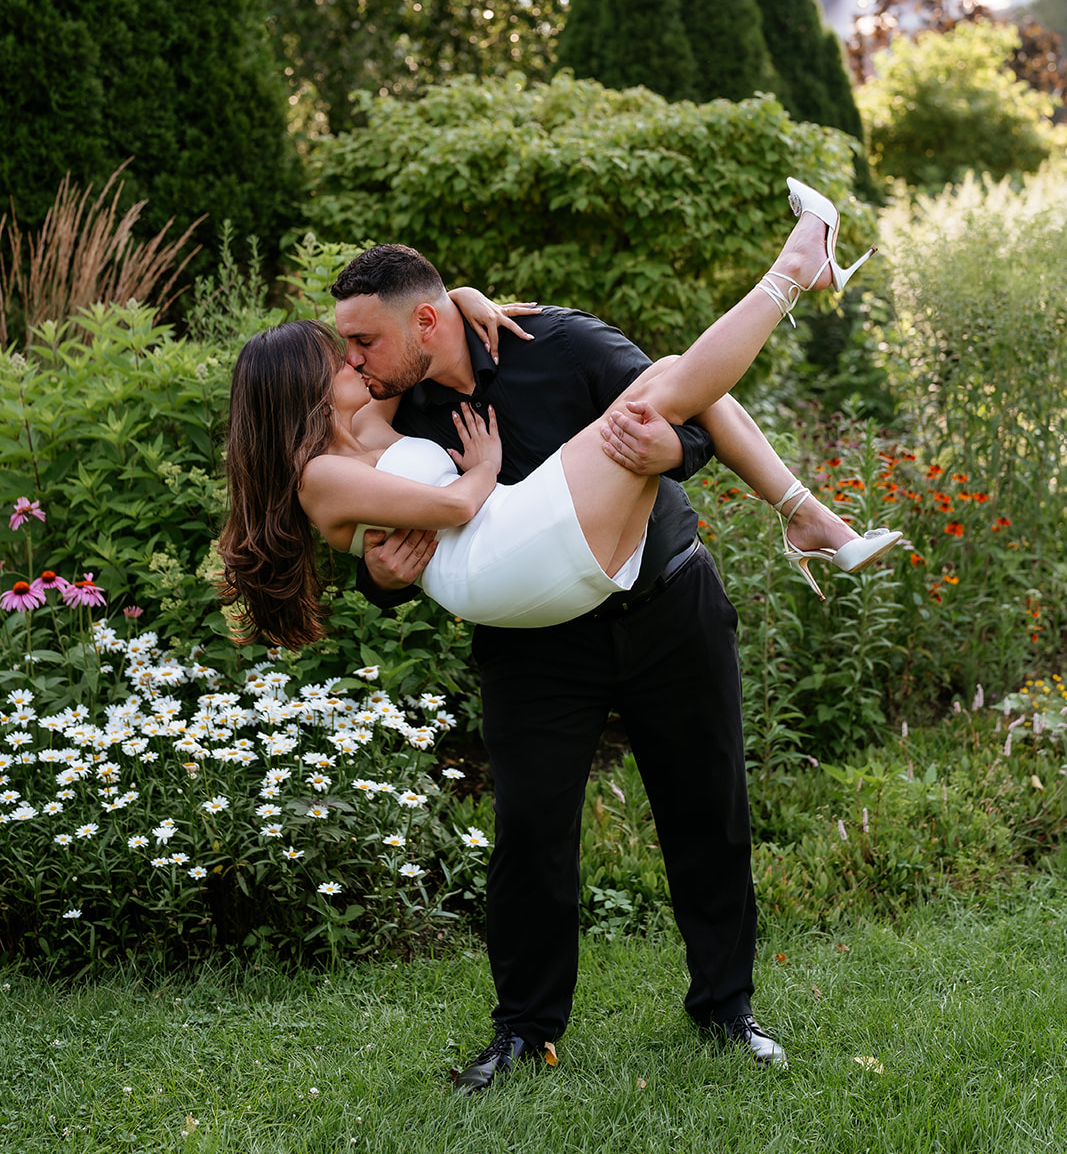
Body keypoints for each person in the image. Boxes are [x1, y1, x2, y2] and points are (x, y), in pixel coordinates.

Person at [220, 180, 897, 1083]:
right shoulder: (395, 403)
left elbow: (687, 421)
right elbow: (386, 532)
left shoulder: (557, 340)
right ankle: (524, 1030)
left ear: (425, 322)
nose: (357, 359)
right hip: (537, 637)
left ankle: (726, 1009)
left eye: (365, 341)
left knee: (709, 814)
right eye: (345, 350)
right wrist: (376, 579)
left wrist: (678, 455)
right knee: (531, 836)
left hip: (662, 603)